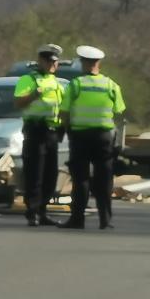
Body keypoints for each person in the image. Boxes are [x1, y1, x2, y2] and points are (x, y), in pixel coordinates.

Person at [58, 45, 126, 230]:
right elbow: (119, 112)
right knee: (104, 178)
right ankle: (105, 219)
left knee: (80, 178)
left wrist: (67, 129)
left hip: (80, 135)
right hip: (104, 137)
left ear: (84, 63)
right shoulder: (111, 85)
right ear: (99, 64)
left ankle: (77, 219)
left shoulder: (76, 84)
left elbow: (64, 112)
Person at [13, 44, 65, 227]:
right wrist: (34, 95)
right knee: (35, 173)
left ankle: (43, 211)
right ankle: (32, 212)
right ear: (41, 61)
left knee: (50, 175)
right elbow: (19, 102)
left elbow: (62, 107)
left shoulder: (56, 82)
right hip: (35, 130)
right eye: (49, 61)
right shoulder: (28, 79)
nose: (52, 65)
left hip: (51, 132)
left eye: (55, 62)